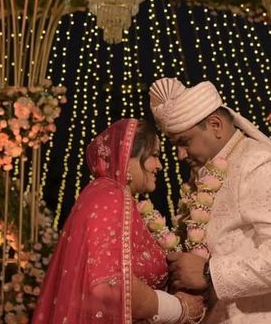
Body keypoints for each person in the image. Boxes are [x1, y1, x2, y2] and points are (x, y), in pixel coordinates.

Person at [149, 77, 271, 323]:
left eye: (184, 142)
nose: (181, 155)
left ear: (215, 125)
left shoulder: (263, 167)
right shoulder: (207, 174)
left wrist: (208, 273)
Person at [33, 118, 205, 323]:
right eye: (154, 155)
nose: (159, 165)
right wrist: (178, 308)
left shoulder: (110, 196)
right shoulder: (110, 196)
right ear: (127, 157)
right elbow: (108, 283)